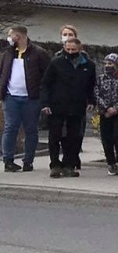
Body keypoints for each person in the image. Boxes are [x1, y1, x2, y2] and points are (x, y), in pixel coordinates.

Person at [39, 27, 97, 178]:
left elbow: (91, 85)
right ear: (64, 48)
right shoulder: (56, 63)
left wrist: (91, 100)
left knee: (73, 137)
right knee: (55, 135)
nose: (70, 52)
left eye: (73, 50)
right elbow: (45, 84)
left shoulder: (88, 65)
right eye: (68, 49)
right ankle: (55, 164)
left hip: (77, 105)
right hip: (57, 104)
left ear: (79, 49)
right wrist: (45, 103)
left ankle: (69, 165)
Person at [2, 25, 49, 173]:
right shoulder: (8, 53)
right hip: (11, 97)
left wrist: (43, 96)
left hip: (31, 98)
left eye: (11, 35)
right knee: (10, 127)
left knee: (31, 129)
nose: (9, 38)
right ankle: (8, 160)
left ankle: (28, 161)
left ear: (19, 36)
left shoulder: (39, 53)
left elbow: (47, 76)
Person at [94, 52, 118, 176]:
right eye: (105, 63)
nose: (107, 66)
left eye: (110, 63)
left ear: (116, 65)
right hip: (104, 113)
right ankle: (111, 163)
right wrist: (106, 108)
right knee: (106, 138)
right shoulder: (100, 79)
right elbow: (96, 94)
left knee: (117, 137)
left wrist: (115, 108)